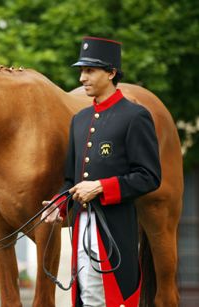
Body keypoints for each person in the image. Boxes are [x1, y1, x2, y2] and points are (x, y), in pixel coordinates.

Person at [42, 36, 161, 307]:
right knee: (87, 297)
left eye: (89, 70)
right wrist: (60, 204)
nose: (82, 78)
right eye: (81, 71)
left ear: (111, 72)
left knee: (115, 299)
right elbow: (72, 180)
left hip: (116, 229)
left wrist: (101, 187)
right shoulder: (80, 120)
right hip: (82, 225)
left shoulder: (135, 116)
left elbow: (149, 176)